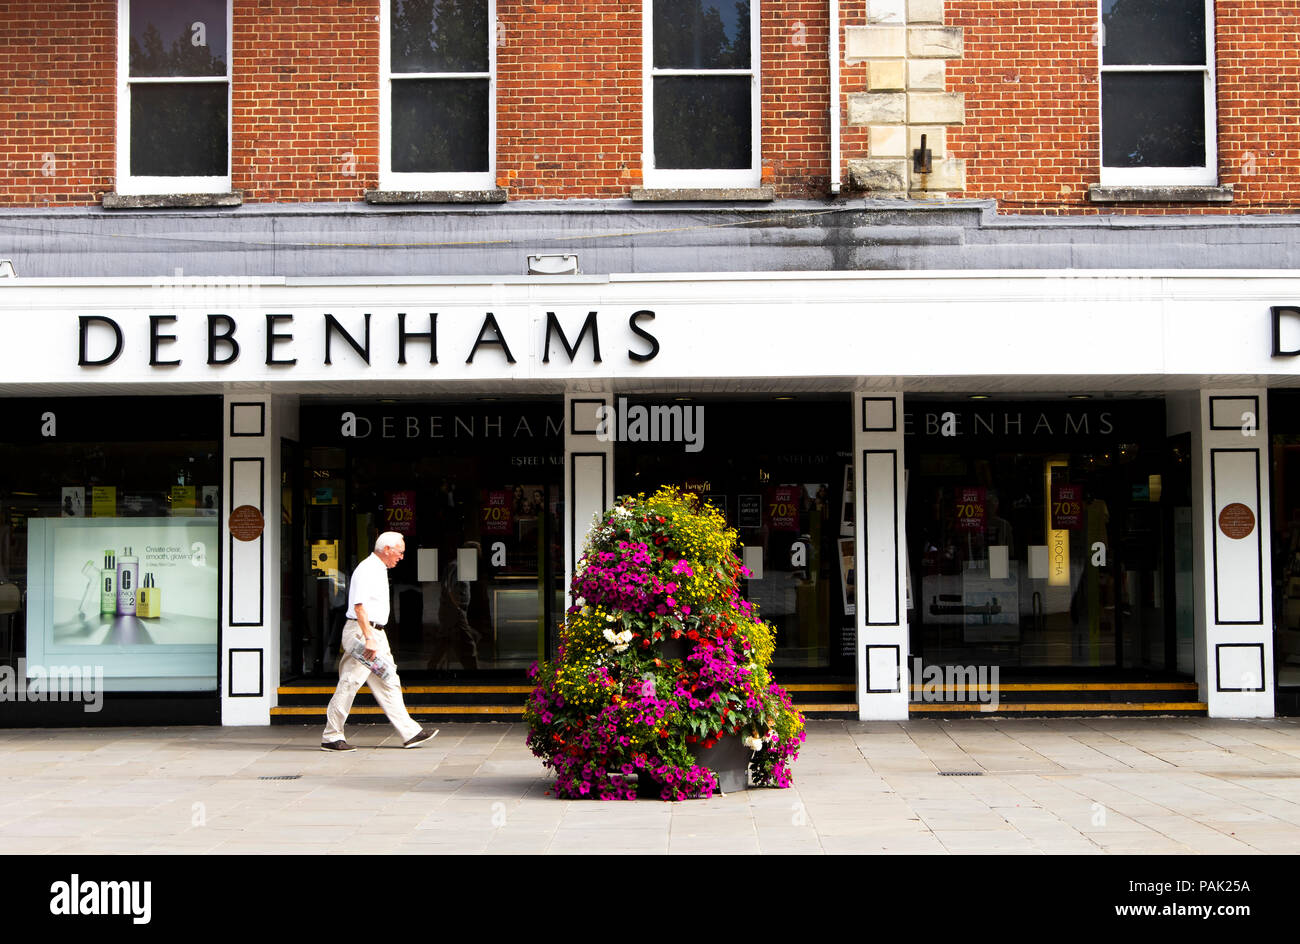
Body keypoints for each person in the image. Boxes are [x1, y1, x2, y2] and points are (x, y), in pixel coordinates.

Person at [321, 531, 437, 751]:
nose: (401, 557)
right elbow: (359, 607)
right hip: (363, 633)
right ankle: (331, 735)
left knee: (388, 679)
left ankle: (410, 732)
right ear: (387, 549)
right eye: (400, 552)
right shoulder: (367, 570)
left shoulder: (377, 569)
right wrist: (368, 639)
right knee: (350, 682)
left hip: (374, 634)